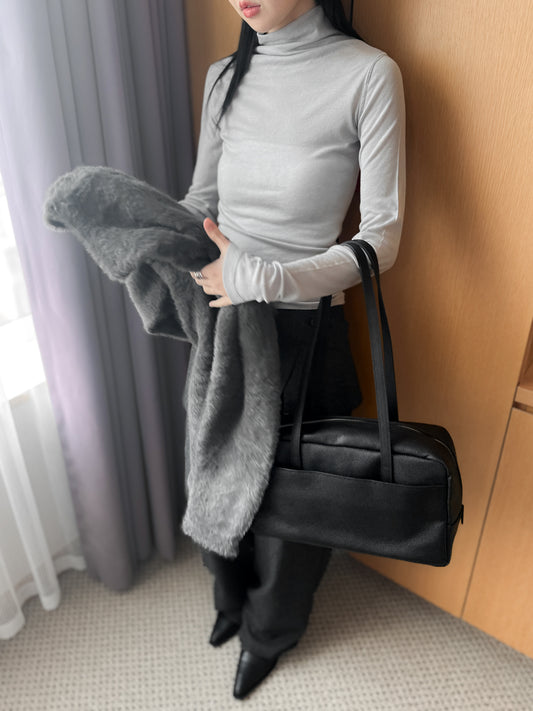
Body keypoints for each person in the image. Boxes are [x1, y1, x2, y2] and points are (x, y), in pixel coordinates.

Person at [180, 0, 405, 700]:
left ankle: (269, 633)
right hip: (222, 321)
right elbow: (202, 200)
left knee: (289, 498)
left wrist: (265, 278)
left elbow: (381, 239)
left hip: (303, 330)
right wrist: (140, 231)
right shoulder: (225, 76)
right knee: (213, 469)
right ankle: (228, 599)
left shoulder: (367, 74)